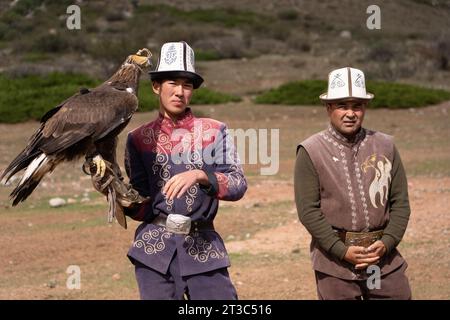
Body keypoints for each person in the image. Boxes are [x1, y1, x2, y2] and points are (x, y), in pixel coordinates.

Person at [115, 41, 247, 300]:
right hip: (154, 253)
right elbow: (143, 206)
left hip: (203, 247)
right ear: (156, 87)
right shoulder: (138, 138)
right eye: (172, 83)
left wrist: (200, 175)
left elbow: (238, 184)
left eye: (187, 85)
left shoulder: (214, 131)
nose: (179, 92)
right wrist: (122, 199)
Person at [294, 67, 412, 300]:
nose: (350, 113)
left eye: (357, 106)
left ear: (364, 108)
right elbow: (308, 211)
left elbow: (401, 203)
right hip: (335, 264)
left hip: (383, 261)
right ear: (329, 108)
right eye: (342, 106)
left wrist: (387, 242)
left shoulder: (385, 146)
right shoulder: (311, 151)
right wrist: (342, 251)